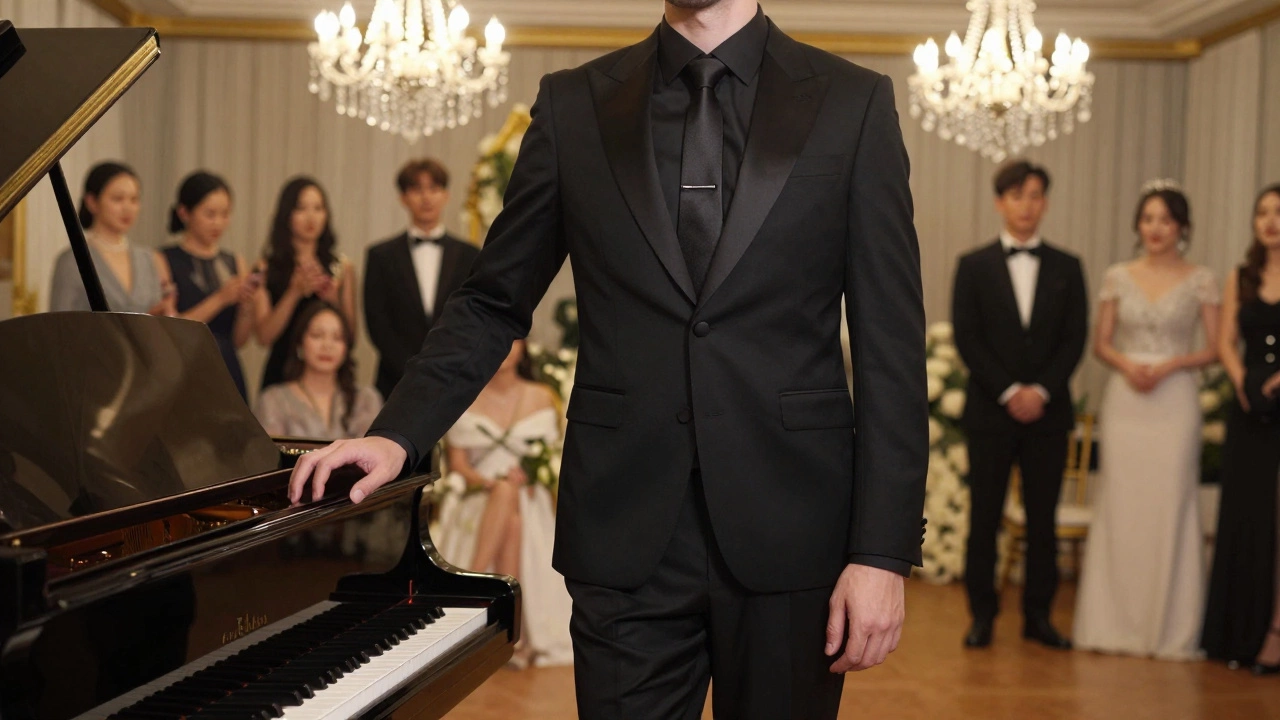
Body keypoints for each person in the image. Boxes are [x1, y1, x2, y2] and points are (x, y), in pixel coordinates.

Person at [290, 2, 929, 718]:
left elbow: (890, 344)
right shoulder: (576, 105)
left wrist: (881, 551)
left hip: (794, 532)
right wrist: (396, 432)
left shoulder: (853, 103)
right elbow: (493, 301)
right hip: (625, 532)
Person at [1073, 182, 1219, 660]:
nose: (1155, 228)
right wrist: (1127, 364)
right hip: (1128, 402)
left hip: (1174, 400)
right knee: (1123, 506)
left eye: (1165, 219)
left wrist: (1173, 365)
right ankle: (1113, 624)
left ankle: (1169, 629)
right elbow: (1101, 343)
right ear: (1138, 225)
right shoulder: (1118, 275)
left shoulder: (1202, 279)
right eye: (1148, 219)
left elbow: (1215, 349)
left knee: (1170, 505)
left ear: (1181, 227)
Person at [951, 160, 1088, 651]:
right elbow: (967, 337)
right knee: (984, 517)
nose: (1026, 205)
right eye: (1016, 195)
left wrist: (1041, 391)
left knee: (1042, 520)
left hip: (1049, 417)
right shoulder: (974, 265)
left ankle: (1039, 616)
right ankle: (981, 615)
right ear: (999, 202)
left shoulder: (1068, 267)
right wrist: (1009, 391)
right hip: (991, 412)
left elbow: (1075, 339)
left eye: (1034, 196)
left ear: (1045, 202)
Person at [435, 339, 574, 669]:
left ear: (526, 346)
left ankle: (476, 583)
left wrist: (528, 475)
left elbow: (556, 456)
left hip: (529, 495)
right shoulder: (466, 394)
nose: (504, 347)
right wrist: (490, 482)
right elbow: (458, 465)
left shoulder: (543, 395)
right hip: (477, 494)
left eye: (513, 339)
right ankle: (517, 636)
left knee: (513, 510)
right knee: (505, 501)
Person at [1202, 183, 1280, 674]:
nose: (1271, 220)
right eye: (1264, 212)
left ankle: (1275, 632)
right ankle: (1240, 634)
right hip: (1251, 408)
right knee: (1247, 518)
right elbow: (1226, 340)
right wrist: (1244, 381)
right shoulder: (1242, 275)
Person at [365, 159, 481, 400]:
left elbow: (472, 315)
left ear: (446, 195)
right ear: (403, 198)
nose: (426, 197)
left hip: (453, 375)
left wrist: (448, 364)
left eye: (434, 188)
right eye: (416, 189)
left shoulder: (470, 255)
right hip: (394, 379)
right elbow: (376, 321)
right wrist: (409, 368)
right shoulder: (381, 256)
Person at [160, 171, 258, 400]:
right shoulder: (164, 258)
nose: (219, 223)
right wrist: (221, 298)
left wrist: (247, 307)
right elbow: (170, 329)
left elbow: (239, 340)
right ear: (185, 213)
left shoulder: (235, 261)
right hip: (183, 367)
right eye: (210, 214)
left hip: (226, 367)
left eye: (225, 214)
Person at [253, 177, 358, 391]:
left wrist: (332, 302)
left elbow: (351, 338)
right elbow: (264, 337)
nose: (311, 217)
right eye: (301, 208)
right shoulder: (266, 268)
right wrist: (293, 293)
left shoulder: (342, 268)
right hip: (281, 371)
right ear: (287, 214)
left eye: (318, 208)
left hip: (326, 374)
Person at [50, 162, 176, 316]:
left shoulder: (150, 258)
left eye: (134, 199)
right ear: (92, 202)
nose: (127, 208)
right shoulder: (71, 261)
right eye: (118, 199)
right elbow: (61, 326)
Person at [255, 301, 381, 440]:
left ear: (346, 348)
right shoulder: (273, 400)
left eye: (337, 338)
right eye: (317, 335)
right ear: (300, 344)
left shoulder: (366, 399)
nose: (327, 345)